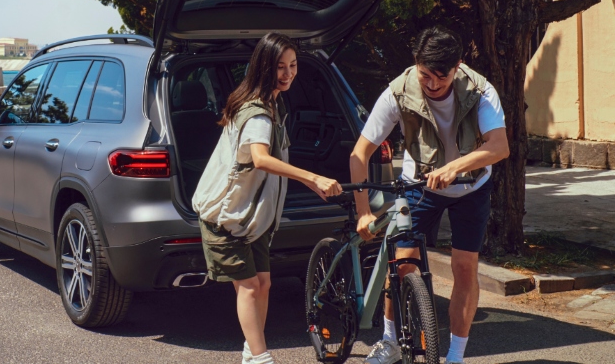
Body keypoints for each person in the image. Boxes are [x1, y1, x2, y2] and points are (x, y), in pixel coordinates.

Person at [349, 26, 509, 364]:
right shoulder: (399, 91)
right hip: (419, 185)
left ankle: (455, 356)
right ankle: (390, 341)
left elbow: (499, 146)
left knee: (465, 267)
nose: (433, 84)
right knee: (403, 263)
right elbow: (360, 153)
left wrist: (457, 167)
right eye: (425, 75)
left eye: (442, 76)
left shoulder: (480, 91)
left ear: (458, 66)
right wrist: (363, 210)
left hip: (471, 187)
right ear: (415, 64)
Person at [193, 32, 342, 364]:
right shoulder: (258, 113)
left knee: (263, 282)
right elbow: (260, 158)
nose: (288, 74)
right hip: (227, 216)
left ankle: (251, 352)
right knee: (248, 287)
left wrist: (311, 182)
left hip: (252, 217)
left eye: (293, 65)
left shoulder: (272, 101)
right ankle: (260, 358)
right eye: (280, 67)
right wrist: (313, 177)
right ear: (264, 67)